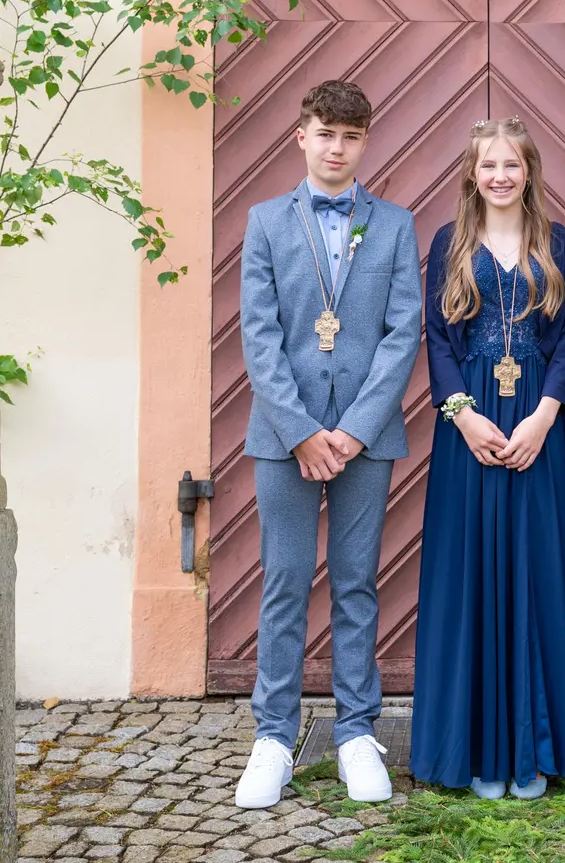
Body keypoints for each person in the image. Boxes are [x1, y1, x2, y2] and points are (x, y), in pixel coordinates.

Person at [232, 79, 423, 810]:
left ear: (364, 142)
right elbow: (260, 334)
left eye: (350, 136)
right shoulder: (265, 221)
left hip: (363, 442)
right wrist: (304, 431)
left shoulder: (395, 224)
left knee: (355, 584)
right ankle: (274, 736)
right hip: (284, 439)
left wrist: (349, 431)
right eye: (325, 134)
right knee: (283, 584)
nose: (336, 147)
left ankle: (354, 732)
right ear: (302, 137)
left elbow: (402, 334)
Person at [410, 116, 565, 800]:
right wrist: (463, 417)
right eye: (488, 165)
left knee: (536, 575)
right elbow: (436, 336)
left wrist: (546, 417)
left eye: (511, 165)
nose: (499, 176)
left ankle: (535, 748)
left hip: (539, 432)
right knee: (474, 578)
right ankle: (480, 752)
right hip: (472, 429)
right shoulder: (448, 243)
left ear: (529, 172)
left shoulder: (561, 245)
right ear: (472, 174)